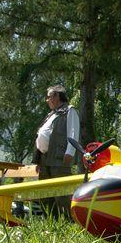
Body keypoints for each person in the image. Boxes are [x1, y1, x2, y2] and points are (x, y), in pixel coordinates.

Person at [33, 85, 80, 216]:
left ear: (57, 96)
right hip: (44, 159)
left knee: (62, 194)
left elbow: (73, 132)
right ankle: (50, 222)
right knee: (45, 193)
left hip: (59, 158)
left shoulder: (69, 111)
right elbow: (41, 136)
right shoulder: (50, 115)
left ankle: (67, 221)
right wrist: (37, 160)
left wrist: (69, 152)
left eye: (49, 97)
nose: (47, 100)